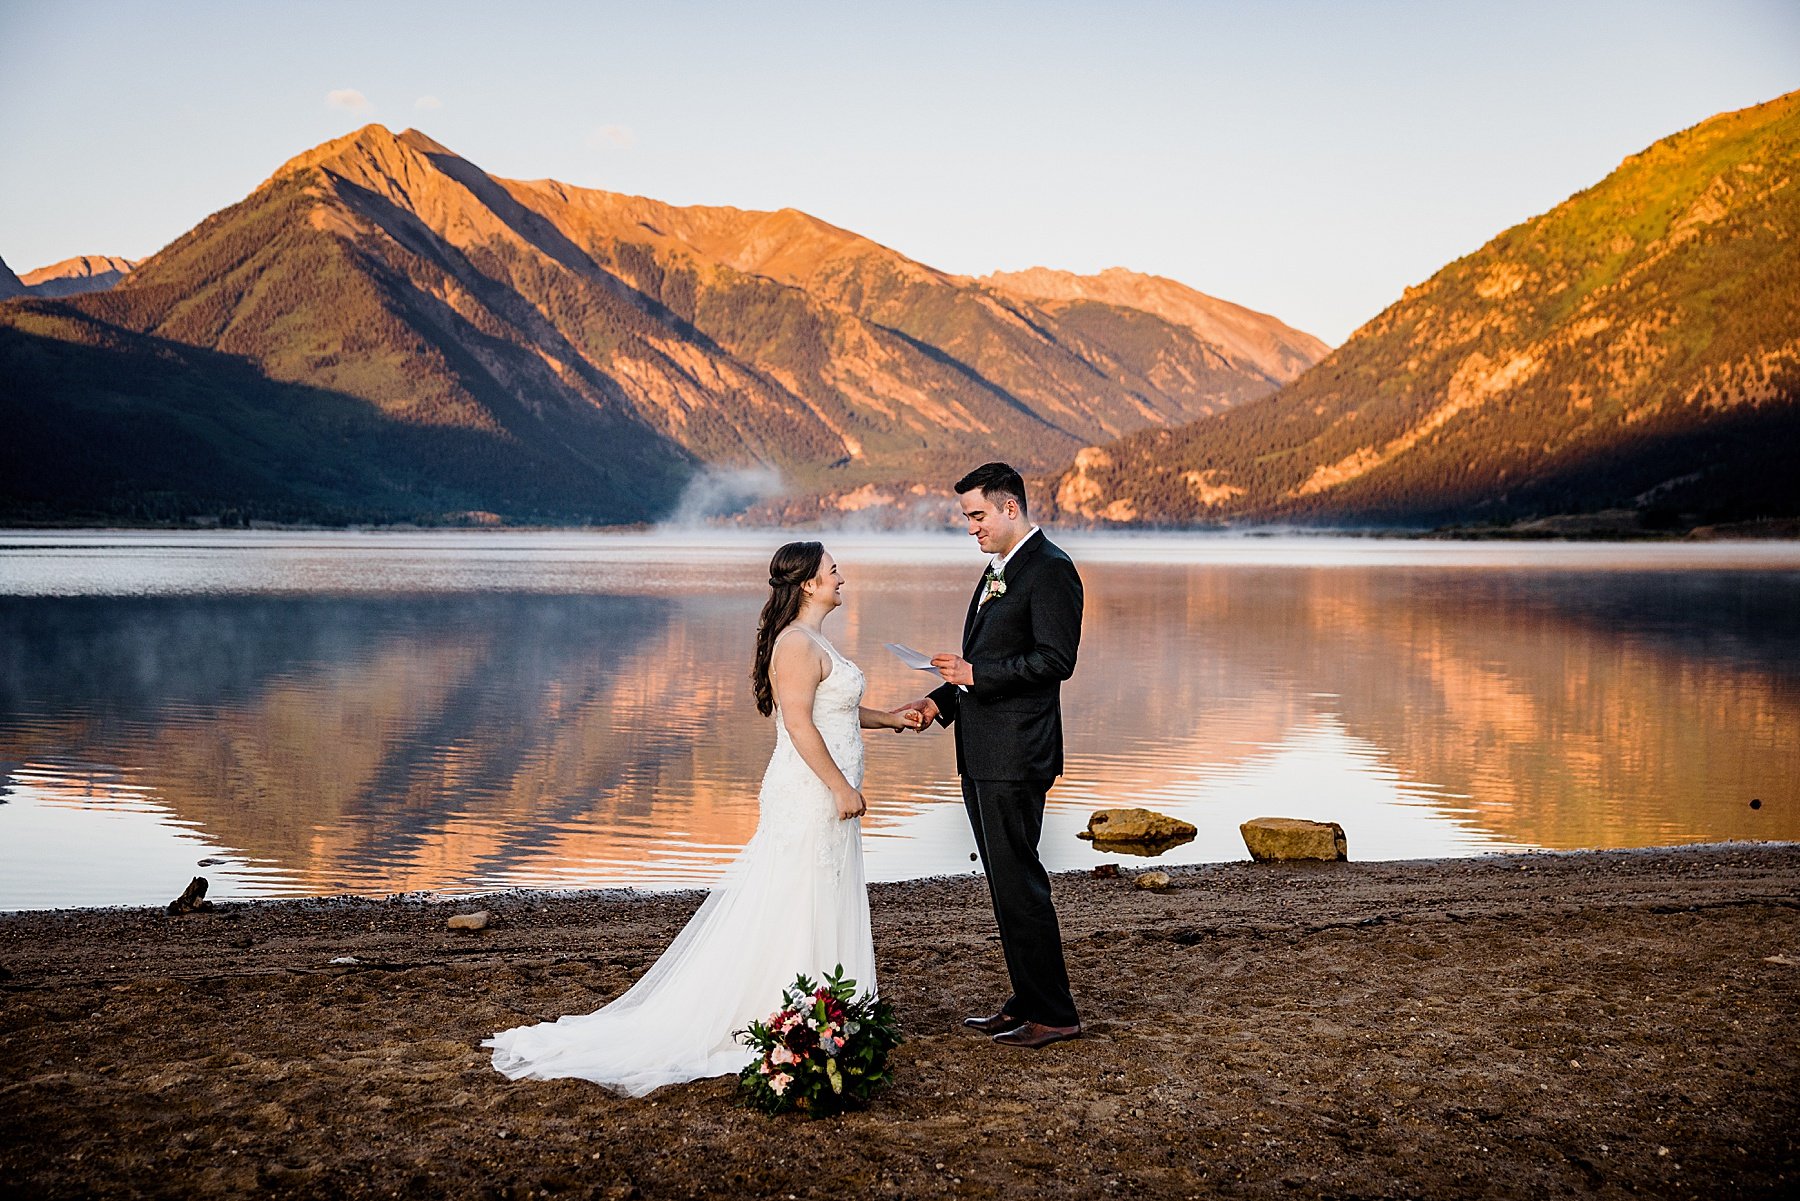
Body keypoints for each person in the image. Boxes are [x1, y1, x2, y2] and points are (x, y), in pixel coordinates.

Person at [484, 542, 924, 1095]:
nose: (842, 577)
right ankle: (792, 1012)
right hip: (811, 792)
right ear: (809, 584)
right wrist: (838, 786)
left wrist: (892, 719)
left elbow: (831, 709)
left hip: (828, 790)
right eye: (833, 570)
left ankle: (821, 1007)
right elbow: (798, 726)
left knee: (820, 891)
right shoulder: (794, 644)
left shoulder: (812, 641)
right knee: (797, 893)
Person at [897, 462, 1084, 1049]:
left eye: (977, 515)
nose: (971, 528)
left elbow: (1056, 661)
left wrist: (976, 673)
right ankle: (1026, 999)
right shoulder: (996, 571)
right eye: (966, 518)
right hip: (981, 752)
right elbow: (983, 667)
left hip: (1016, 754)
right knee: (1004, 884)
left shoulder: (1051, 571)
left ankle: (1054, 1013)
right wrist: (938, 703)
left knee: (1019, 881)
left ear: (1010, 509)